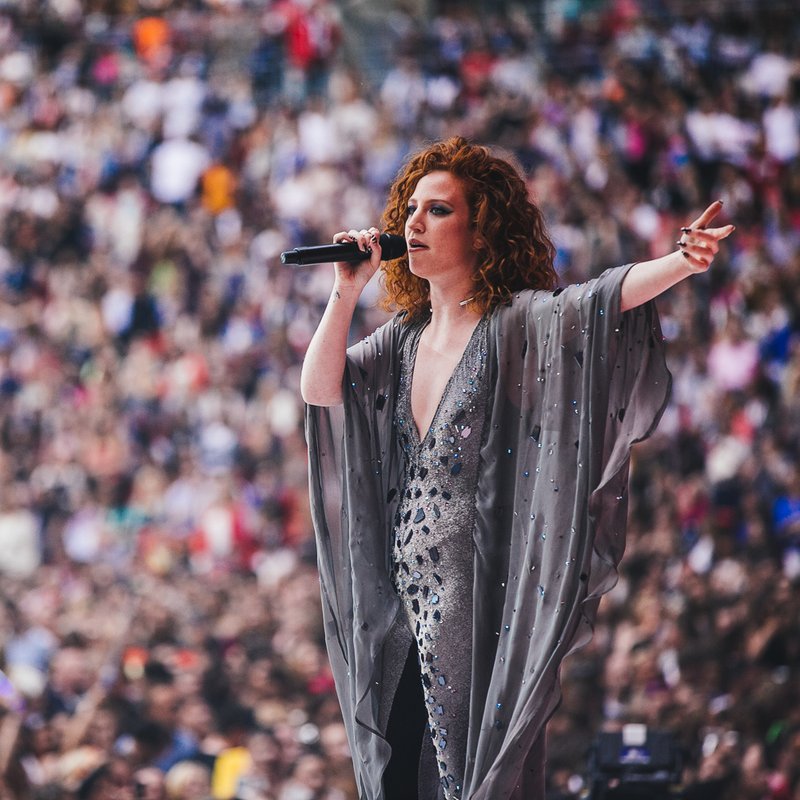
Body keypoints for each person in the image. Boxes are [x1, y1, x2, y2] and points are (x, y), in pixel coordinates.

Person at [300, 136, 734, 800]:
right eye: (410, 207)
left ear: (481, 233)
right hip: (400, 609)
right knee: (397, 777)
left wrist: (679, 261)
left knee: (472, 780)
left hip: (478, 611)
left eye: (437, 211)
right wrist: (344, 290)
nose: (412, 223)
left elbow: (597, 303)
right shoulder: (403, 340)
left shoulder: (511, 325)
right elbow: (321, 388)